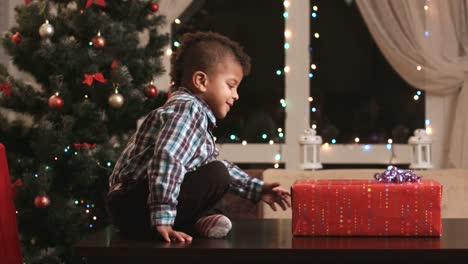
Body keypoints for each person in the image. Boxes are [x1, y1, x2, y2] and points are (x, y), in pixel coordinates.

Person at [106, 31, 291, 243]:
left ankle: (200, 219)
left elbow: (206, 164)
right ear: (201, 81)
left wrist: (256, 189)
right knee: (216, 174)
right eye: (231, 86)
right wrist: (163, 217)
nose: (236, 95)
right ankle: (187, 219)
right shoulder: (188, 109)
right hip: (131, 206)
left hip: (135, 204)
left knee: (212, 172)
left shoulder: (195, 115)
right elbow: (168, 158)